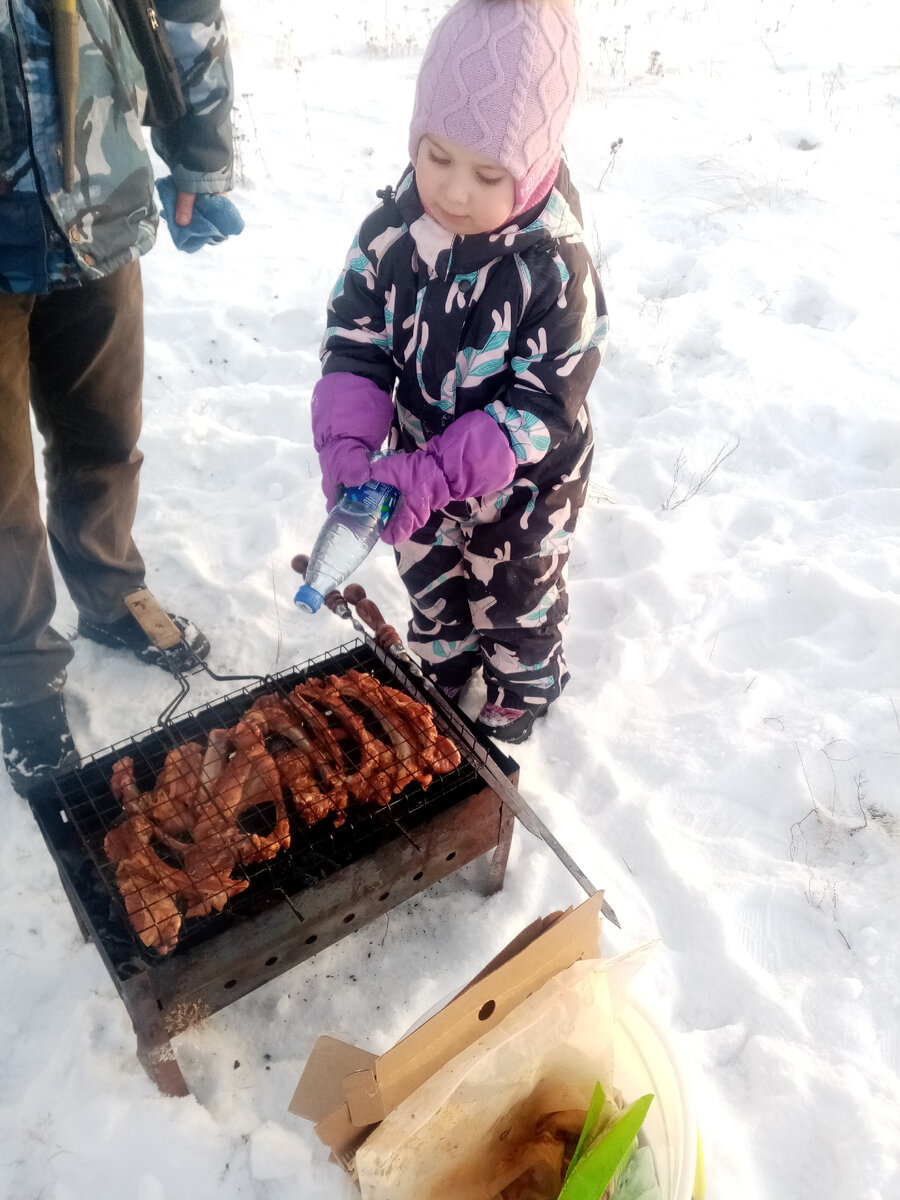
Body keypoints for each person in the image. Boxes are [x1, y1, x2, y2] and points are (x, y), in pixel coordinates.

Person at [311, 0, 608, 744]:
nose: (452, 190)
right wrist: (348, 448)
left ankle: (525, 681)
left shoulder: (554, 269)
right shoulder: (390, 236)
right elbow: (355, 345)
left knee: (513, 597)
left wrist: (439, 474)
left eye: (487, 172)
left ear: (536, 164)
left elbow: (540, 408)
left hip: (525, 487)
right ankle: (442, 665)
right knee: (429, 579)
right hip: (413, 465)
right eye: (436, 155)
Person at [0, 0, 237, 796]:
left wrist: (200, 154)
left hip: (97, 192)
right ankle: (20, 668)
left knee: (104, 431)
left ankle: (107, 591)